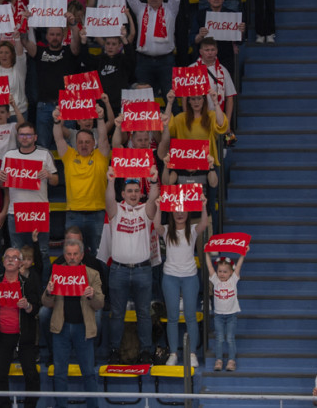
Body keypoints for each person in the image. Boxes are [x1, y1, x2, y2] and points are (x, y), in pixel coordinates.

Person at [101, 167, 160, 364]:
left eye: (136, 191)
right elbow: (108, 200)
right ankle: (114, 351)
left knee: (144, 313)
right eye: (130, 191)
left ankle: (145, 350)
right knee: (117, 314)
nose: (133, 194)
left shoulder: (145, 210)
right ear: (123, 194)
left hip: (143, 269)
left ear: (140, 193)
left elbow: (153, 200)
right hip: (118, 270)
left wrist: (153, 181)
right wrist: (110, 180)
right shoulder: (116, 210)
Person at [42, 238, 105, 408]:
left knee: (89, 373)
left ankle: (93, 406)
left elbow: (100, 304)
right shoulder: (57, 273)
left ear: (82, 255)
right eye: (68, 254)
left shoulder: (92, 274)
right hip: (61, 329)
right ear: (64, 255)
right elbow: (46, 303)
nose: (71, 257)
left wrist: (92, 295)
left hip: (83, 329)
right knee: (60, 374)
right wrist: (48, 292)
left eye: (75, 254)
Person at [0, 246, 41, 408]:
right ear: (3, 261)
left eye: (14, 257)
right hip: (2, 337)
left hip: (24, 338)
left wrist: (28, 305)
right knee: (0, 376)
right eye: (7, 257)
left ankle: (30, 405)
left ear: (20, 262)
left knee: (31, 375)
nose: (10, 260)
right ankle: (4, 405)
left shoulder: (27, 284)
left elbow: (36, 307)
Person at [52, 100, 111, 253]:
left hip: (97, 214)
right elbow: (58, 139)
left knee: (100, 254)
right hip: (74, 214)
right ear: (76, 144)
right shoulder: (69, 155)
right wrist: (57, 121)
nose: (84, 145)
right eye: (80, 142)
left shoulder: (100, 156)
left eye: (87, 142)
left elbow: (104, 138)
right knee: (72, 254)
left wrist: (100, 118)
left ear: (93, 143)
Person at [158, 206, 210, 367]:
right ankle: (173, 353)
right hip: (170, 277)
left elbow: (205, 223)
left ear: (188, 212)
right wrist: (159, 207)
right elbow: (155, 225)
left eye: (183, 210)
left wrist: (202, 206)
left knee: (191, 317)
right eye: (176, 210)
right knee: (172, 317)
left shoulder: (193, 229)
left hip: (189, 277)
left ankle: (192, 354)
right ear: (171, 213)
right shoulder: (166, 230)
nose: (180, 213)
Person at [0, 123, 59, 262]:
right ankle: (18, 283)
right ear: (17, 137)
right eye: (22, 134)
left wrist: (49, 175)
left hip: (39, 211)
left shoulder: (44, 155)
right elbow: (2, 184)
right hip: (15, 211)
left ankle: (43, 284)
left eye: (28, 135)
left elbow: (56, 181)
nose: (25, 138)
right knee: (16, 252)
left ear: (35, 137)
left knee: (43, 251)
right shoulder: (9, 155)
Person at [126, 0, 181, 99]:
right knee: (143, 100)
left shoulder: (171, 9)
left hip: (166, 62)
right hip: (143, 61)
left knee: (170, 98)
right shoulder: (140, 9)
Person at [206, 250, 246, 373]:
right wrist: (206, 253)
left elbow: (239, 265)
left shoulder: (233, 280)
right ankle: (219, 360)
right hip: (218, 315)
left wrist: (243, 253)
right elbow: (209, 267)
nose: (222, 274)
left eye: (225, 272)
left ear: (231, 273)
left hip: (231, 315)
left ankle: (231, 360)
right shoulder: (215, 280)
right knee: (219, 338)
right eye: (220, 271)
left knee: (229, 338)